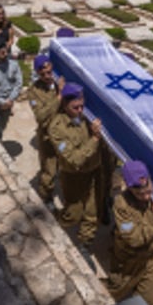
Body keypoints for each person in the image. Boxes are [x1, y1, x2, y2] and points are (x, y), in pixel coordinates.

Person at [106, 160, 153, 305]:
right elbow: (134, 239)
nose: (146, 197)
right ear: (129, 187)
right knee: (111, 293)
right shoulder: (121, 205)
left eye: (148, 191)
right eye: (139, 194)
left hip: (151, 258)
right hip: (128, 260)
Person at [48, 83, 103, 264]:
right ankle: (58, 220)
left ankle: (84, 245)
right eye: (75, 107)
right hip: (73, 175)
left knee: (91, 212)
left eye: (82, 106)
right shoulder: (57, 128)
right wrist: (94, 139)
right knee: (73, 213)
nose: (80, 111)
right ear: (64, 105)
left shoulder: (88, 117)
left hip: (93, 172)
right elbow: (74, 159)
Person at [24, 55, 64, 204]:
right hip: (48, 136)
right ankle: (45, 197)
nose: (47, 76)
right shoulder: (34, 91)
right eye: (43, 74)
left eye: (49, 72)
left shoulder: (60, 82)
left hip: (65, 135)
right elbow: (40, 116)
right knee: (49, 171)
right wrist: (59, 98)